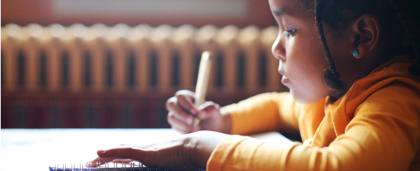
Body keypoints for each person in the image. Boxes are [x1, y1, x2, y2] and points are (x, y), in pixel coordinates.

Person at [89, 0, 420, 170]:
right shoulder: (337, 94)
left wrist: (201, 148)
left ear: (361, 36)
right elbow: (277, 107)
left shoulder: (394, 101)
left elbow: (340, 167)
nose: (276, 47)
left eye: (289, 30)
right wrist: (220, 120)